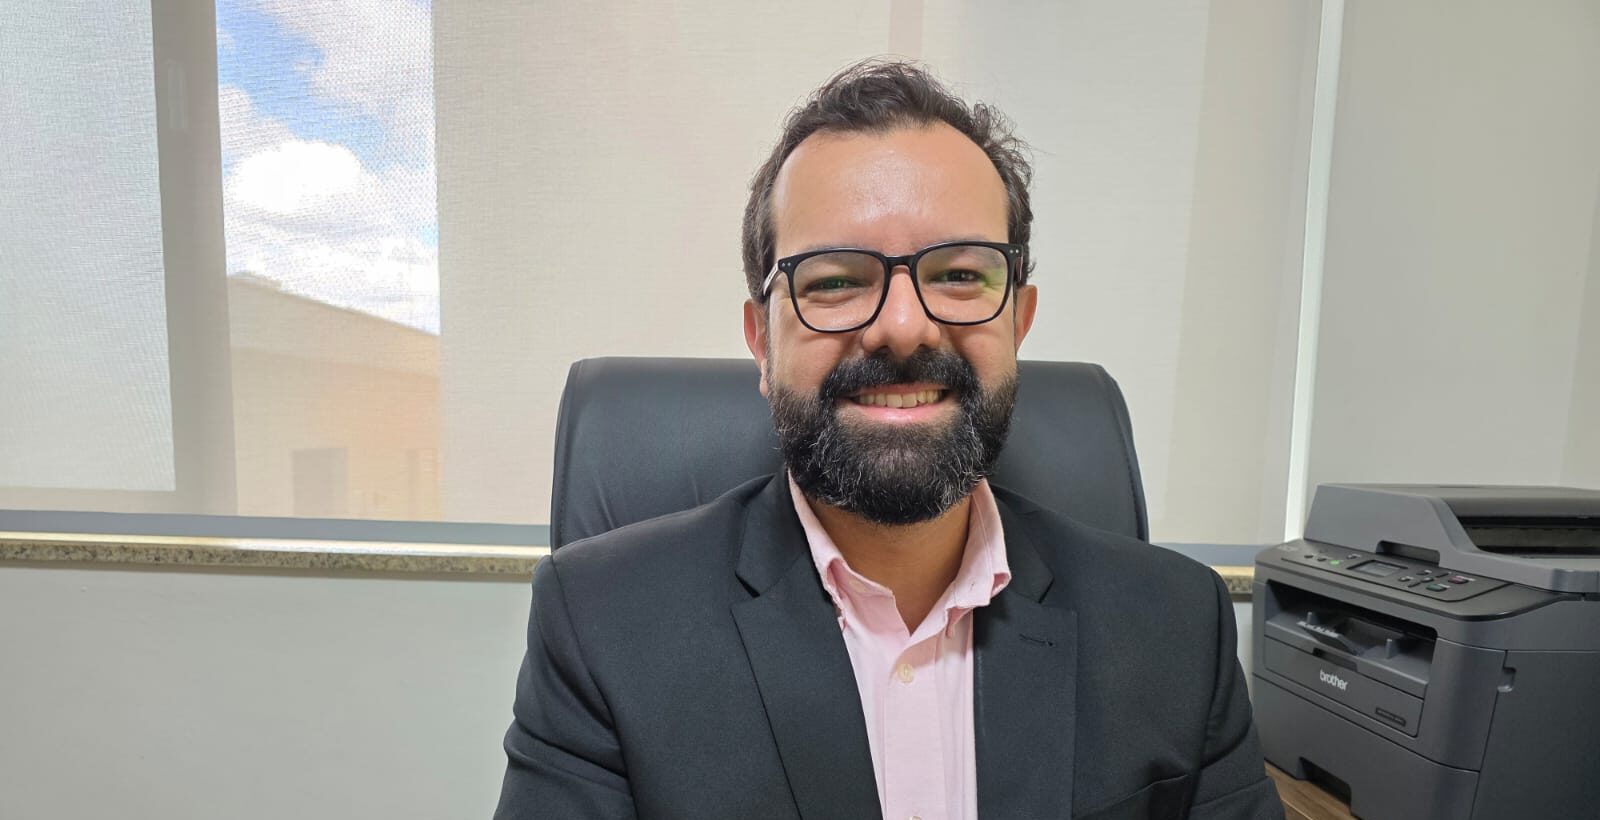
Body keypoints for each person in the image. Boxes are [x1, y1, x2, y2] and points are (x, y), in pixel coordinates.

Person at [495, 60, 1282, 820]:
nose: (904, 327)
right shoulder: (601, 626)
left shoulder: (1180, 628)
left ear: (1019, 321)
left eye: (960, 275)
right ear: (762, 343)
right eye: (835, 280)